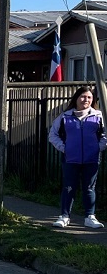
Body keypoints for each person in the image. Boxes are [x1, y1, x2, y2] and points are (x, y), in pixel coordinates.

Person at [49, 85, 107, 229]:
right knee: (69, 187)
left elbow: (105, 135)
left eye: (89, 97)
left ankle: (90, 217)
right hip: (70, 159)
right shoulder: (65, 117)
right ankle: (64, 216)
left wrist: (97, 148)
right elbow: (52, 135)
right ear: (76, 98)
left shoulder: (99, 116)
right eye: (82, 96)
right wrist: (64, 148)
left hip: (91, 159)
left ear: (93, 100)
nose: (85, 100)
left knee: (89, 188)